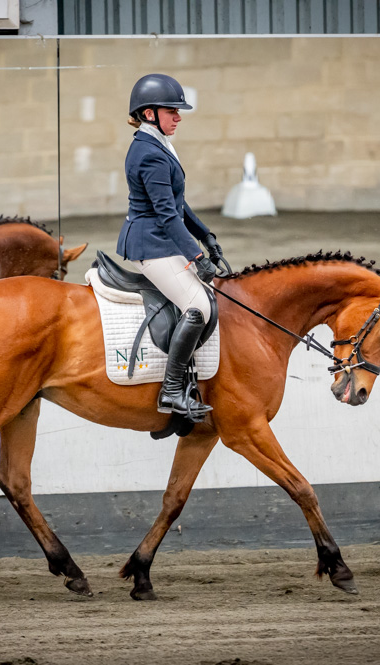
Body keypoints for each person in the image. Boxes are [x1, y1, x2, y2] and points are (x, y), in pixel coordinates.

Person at [117, 73, 225, 421]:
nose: (178, 117)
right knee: (198, 307)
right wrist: (196, 256)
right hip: (151, 245)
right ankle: (172, 391)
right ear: (149, 113)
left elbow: (177, 203)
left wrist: (206, 235)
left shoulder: (158, 143)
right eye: (171, 111)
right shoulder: (149, 153)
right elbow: (165, 214)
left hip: (164, 237)